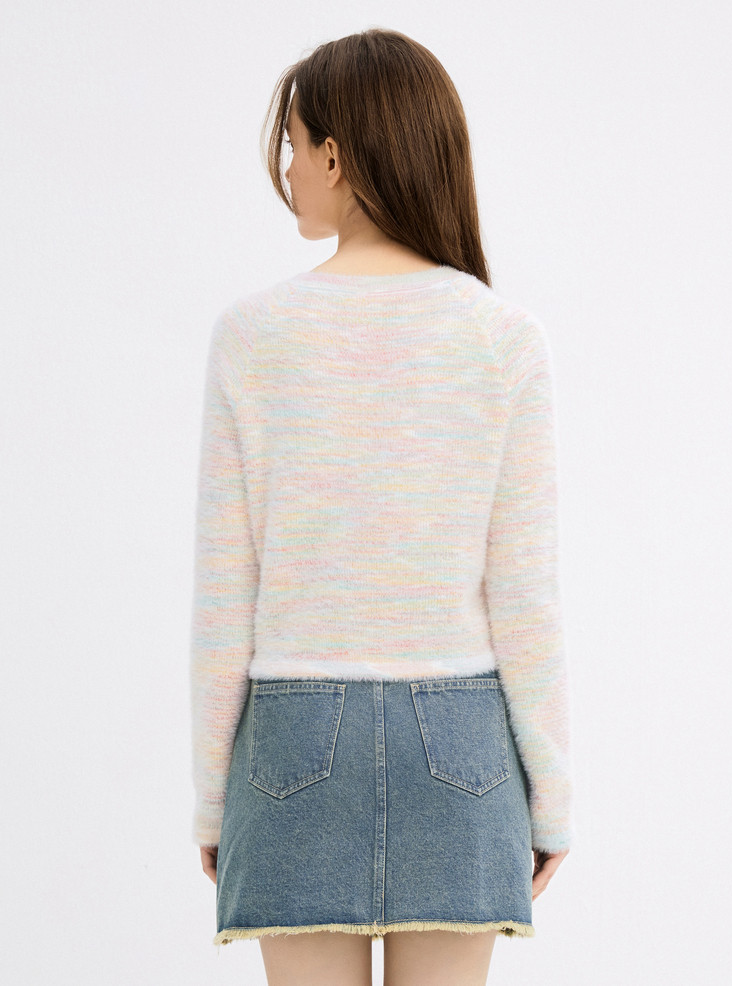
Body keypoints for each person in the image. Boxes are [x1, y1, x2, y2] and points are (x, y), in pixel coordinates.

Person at [190, 27, 573, 986]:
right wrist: (553, 796)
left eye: (294, 143)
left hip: (288, 747)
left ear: (336, 155)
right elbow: (525, 595)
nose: (286, 168)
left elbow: (225, 600)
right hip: (463, 745)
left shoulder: (252, 338)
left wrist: (212, 800)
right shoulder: (502, 338)